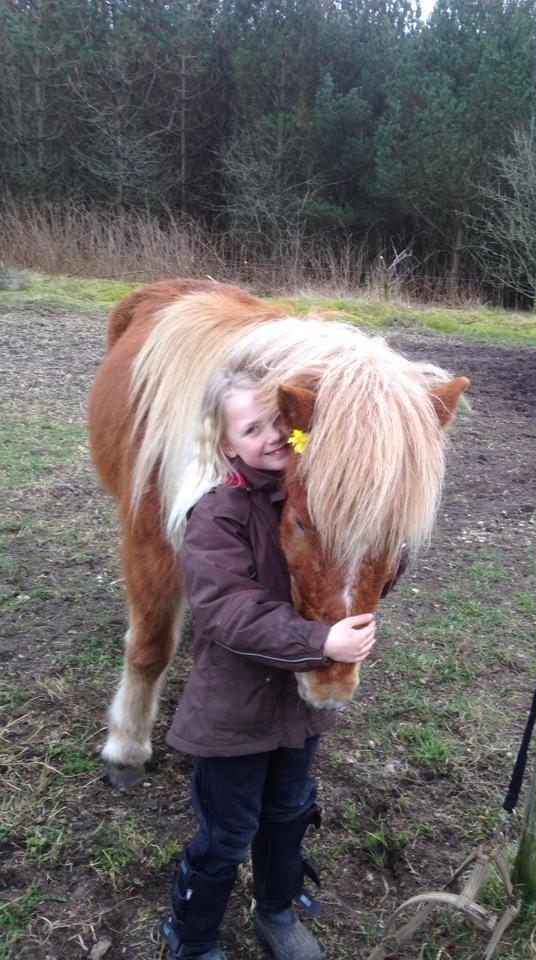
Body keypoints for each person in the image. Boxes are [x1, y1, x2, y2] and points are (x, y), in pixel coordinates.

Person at [160, 371, 379, 960]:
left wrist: (385, 528)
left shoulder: (319, 493)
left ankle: (276, 911)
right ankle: (191, 935)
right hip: (233, 713)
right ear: (225, 443)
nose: (273, 436)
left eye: (278, 421)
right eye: (251, 429)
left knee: (290, 811)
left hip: (298, 709)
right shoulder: (217, 515)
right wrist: (322, 642)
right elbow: (228, 614)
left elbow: (357, 571)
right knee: (227, 833)